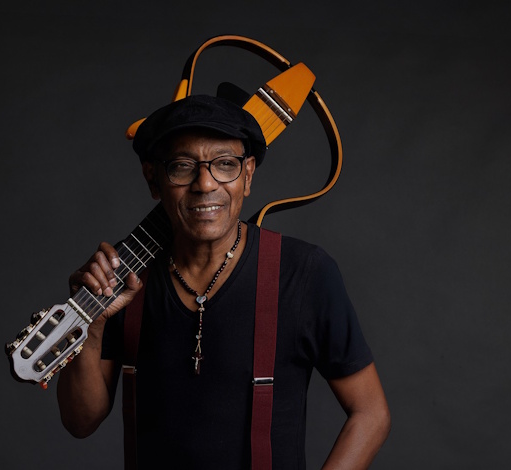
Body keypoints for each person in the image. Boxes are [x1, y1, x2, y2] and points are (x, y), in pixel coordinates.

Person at [57, 94, 390, 469]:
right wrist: (88, 324)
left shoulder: (305, 273)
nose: (204, 183)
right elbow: (80, 422)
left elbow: (371, 414)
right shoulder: (119, 277)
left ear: (247, 176)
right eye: (182, 166)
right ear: (153, 179)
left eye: (225, 164)